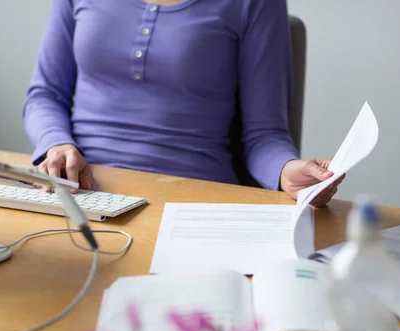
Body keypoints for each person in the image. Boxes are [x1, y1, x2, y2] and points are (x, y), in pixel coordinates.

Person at [23, 0, 344, 206]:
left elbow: (264, 134)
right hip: (80, 191)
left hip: (193, 203)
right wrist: (56, 145)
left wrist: (286, 171)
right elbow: (46, 94)